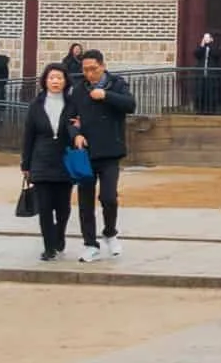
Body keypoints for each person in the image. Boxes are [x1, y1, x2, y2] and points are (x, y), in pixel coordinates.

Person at [65, 51, 135, 260]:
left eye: (93, 69)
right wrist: (76, 134)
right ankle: (90, 244)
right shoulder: (78, 90)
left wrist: (106, 96)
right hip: (86, 153)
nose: (89, 74)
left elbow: (130, 105)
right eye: (85, 70)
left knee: (108, 197)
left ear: (102, 66)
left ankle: (110, 232)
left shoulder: (117, 84)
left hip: (110, 151)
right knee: (85, 201)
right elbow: (70, 119)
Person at [18, 63, 89, 261]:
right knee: (45, 207)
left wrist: (79, 128)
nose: (55, 81)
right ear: (45, 81)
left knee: (63, 207)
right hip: (41, 159)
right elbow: (28, 136)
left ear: (65, 81)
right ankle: (49, 247)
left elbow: (79, 126)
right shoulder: (36, 105)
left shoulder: (72, 104)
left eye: (59, 78)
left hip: (65, 159)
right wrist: (26, 164)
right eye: (51, 78)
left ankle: (59, 235)